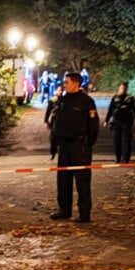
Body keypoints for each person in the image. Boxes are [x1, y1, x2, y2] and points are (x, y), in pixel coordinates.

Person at [50, 72, 99, 223]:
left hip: (80, 145)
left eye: (67, 82)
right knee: (63, 180)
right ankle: (64, 210)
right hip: (64, 145)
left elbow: (93, 126)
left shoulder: (86, 102)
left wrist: (87, 144)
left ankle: (84, 213)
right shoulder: (62, 100)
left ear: (76, 84)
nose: (65, 85)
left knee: (82, 181)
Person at [104, 82, 135, 164]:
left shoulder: (130, 98)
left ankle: (126, 158)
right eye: (121, 88)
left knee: (126, 141)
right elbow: (110, 110)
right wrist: (106, 120)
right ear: (118, 89)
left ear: (126, 89)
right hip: (116, 122)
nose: (122, 90)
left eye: (124, 88)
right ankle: (118, 157)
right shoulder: (115, 98)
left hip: (127, 122)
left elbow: (134, 110)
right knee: (116, 140)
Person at [44, 85, 65, 159]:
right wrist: (46, 121)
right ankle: (53, 153)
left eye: (62, 90)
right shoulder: (53, 100)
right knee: (53, 138)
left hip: (63, 121)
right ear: (56, 91)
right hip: (54, 120)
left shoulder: (65, 100)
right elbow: (48, 111)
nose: (61, 92)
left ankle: (63, 154)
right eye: (59, 90)